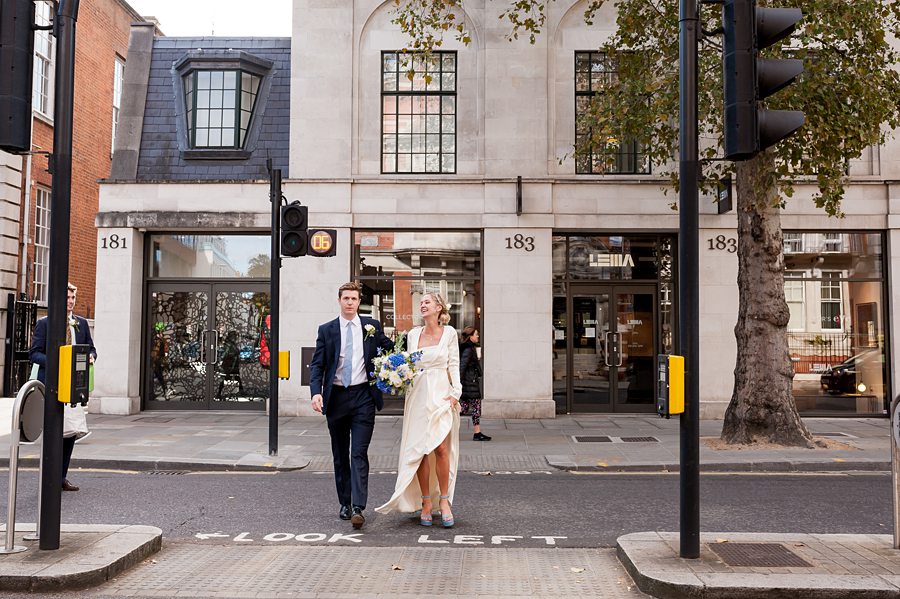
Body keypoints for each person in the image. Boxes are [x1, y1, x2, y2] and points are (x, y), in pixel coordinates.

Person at [309, 282, 393, 529]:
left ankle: (358, 506)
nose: (350, 302)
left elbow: (388, 349)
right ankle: (344, 502)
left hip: (363, 397)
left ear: (359, 302)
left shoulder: (371, 326)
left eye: (354, 299)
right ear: (339, 300)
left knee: (358, 452)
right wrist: (316, 393)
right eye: (346, 298)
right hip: (335, 398)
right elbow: (318, 365)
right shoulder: (327, 330)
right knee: (340, 454)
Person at [376, 292, 462, 528]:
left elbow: (453, 364)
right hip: (418, 396)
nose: (422, 305)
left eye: (427, 302)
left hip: (442, 395)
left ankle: (444, 501)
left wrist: (456, 393)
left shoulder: (450, 333)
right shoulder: (413, 334)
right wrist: (395, 375)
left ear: (438, 308)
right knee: (421, 451)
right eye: (421, 302)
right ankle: (425, 501)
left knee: (442, 449)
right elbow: (408, 364)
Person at [29, 282, 97, 492]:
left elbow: (92, 349)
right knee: (53, 433)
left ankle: (61, 477)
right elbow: (34, 354)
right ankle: (48, 477)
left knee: (71, 433)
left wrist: (91, 357)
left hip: (74, 386)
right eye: (66, 298)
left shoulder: (82, 323)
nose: (70, 302)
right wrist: (59, 362)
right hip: (52, 385)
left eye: (72, 298)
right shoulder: (45, 323)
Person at [459, 326, 490, 441]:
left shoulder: (470, 348)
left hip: (469, 382)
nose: (477, 336)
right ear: (470, 336)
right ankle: (477, 433)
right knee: (476, 408)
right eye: (476, 334)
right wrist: (459, 382)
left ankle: (445, 426)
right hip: (469, 383)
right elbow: (462, 366)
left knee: (464, 409)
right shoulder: (468, 349)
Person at [216, 330, 244, 399]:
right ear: (231, 337)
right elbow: (225, 354)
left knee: (237, 377)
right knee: (224, 378)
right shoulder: (228, 344)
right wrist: (234, 354)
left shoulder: (232, 344)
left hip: (233, 364)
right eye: (235, 336)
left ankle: (241, 390)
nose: (236, 338)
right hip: (229, 365)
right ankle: (219, 393)